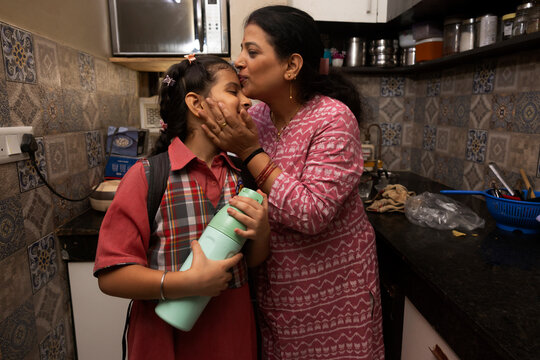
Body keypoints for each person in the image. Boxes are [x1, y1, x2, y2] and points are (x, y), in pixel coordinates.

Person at [199, 6, 385, 360]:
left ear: (291, 65)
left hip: (334, 294)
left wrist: (250, 151)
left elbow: (312, 213)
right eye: (241, 50)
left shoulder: (332, 118)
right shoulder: (256, 116)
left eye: (252, 52)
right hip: (276, 288)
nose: (239, 61)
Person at [93, 55, 270, 360]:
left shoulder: (243, 175)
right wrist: (184, 283)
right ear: (197, 104)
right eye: (233, 91)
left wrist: (263, 230)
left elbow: (250, 262)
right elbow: (111, 276)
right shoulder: (147, 177)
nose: (246, 101)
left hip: (232, 335)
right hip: (165, 340)